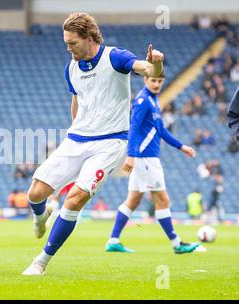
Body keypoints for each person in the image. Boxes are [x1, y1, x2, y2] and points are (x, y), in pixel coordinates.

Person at [22, 12, 167, 275]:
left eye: (72, 43)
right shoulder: (71, 68)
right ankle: (41, 218)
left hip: (110, 143)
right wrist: (75, 126)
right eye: (66, 43)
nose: (68, 48)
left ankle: (40, 262)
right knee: (34, 193)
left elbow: (146, 70)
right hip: (76, 139)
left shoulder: (115, 57)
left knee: (75, 199)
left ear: (89, 38)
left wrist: (154, 64)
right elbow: (77, 98)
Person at [105, 72, 200, 254]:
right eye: (153, 80)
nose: (156, 84)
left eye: (159, 81)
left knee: (133, 200)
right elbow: (133, 126)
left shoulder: (154, 101)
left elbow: (161, 130)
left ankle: (113, 240)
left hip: (146, 158)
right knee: (163, 199)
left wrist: (181, 146)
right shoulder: (143, 101)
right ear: (145, 80)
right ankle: (176, 243)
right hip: (145, 158)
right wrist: (131, 155)